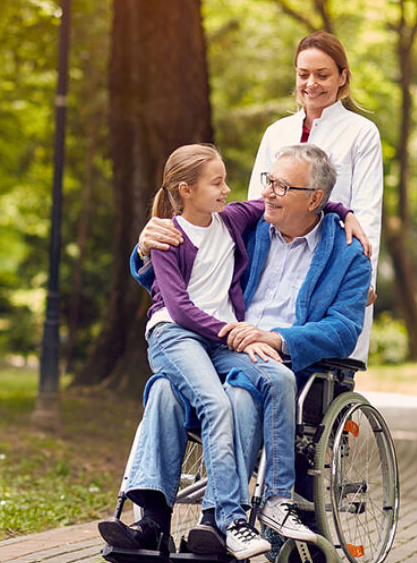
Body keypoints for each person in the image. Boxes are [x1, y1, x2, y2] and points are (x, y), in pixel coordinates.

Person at [104, 144, 371, 558]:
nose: (267, 192)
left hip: (274, 360)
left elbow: (344, 328)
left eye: (281, 186)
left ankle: (218, 521)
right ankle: (152, 522)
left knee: (241, 395)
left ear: (313, 199)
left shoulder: (349, 253)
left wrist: (278, 339)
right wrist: (144, 247)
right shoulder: (245, 224)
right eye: (270, 180)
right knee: (163, 390)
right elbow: (179, 286)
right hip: (213, 342)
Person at [145, 31, 383, 362]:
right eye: (303, 74)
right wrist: (146, 245)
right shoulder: (277, 132)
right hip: (271, 261)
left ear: (343, 77)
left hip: (327, 266)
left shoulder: (361, 133)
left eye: (323, 75)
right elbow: (258, 204)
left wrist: (363, 283)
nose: (311, 83)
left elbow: (368, 212)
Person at [99, 143, 275, 560]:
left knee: (255, 380)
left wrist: (344, 212)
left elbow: (280, 199)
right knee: (215, 403)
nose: (227, 189)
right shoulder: (167, 236)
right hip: (174, 335)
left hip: (214, 340)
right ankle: (229, 518)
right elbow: (177, 309)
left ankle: (188, 523)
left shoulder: (230, 220)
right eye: (217, 183)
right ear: (186, 189)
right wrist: (228, 330)